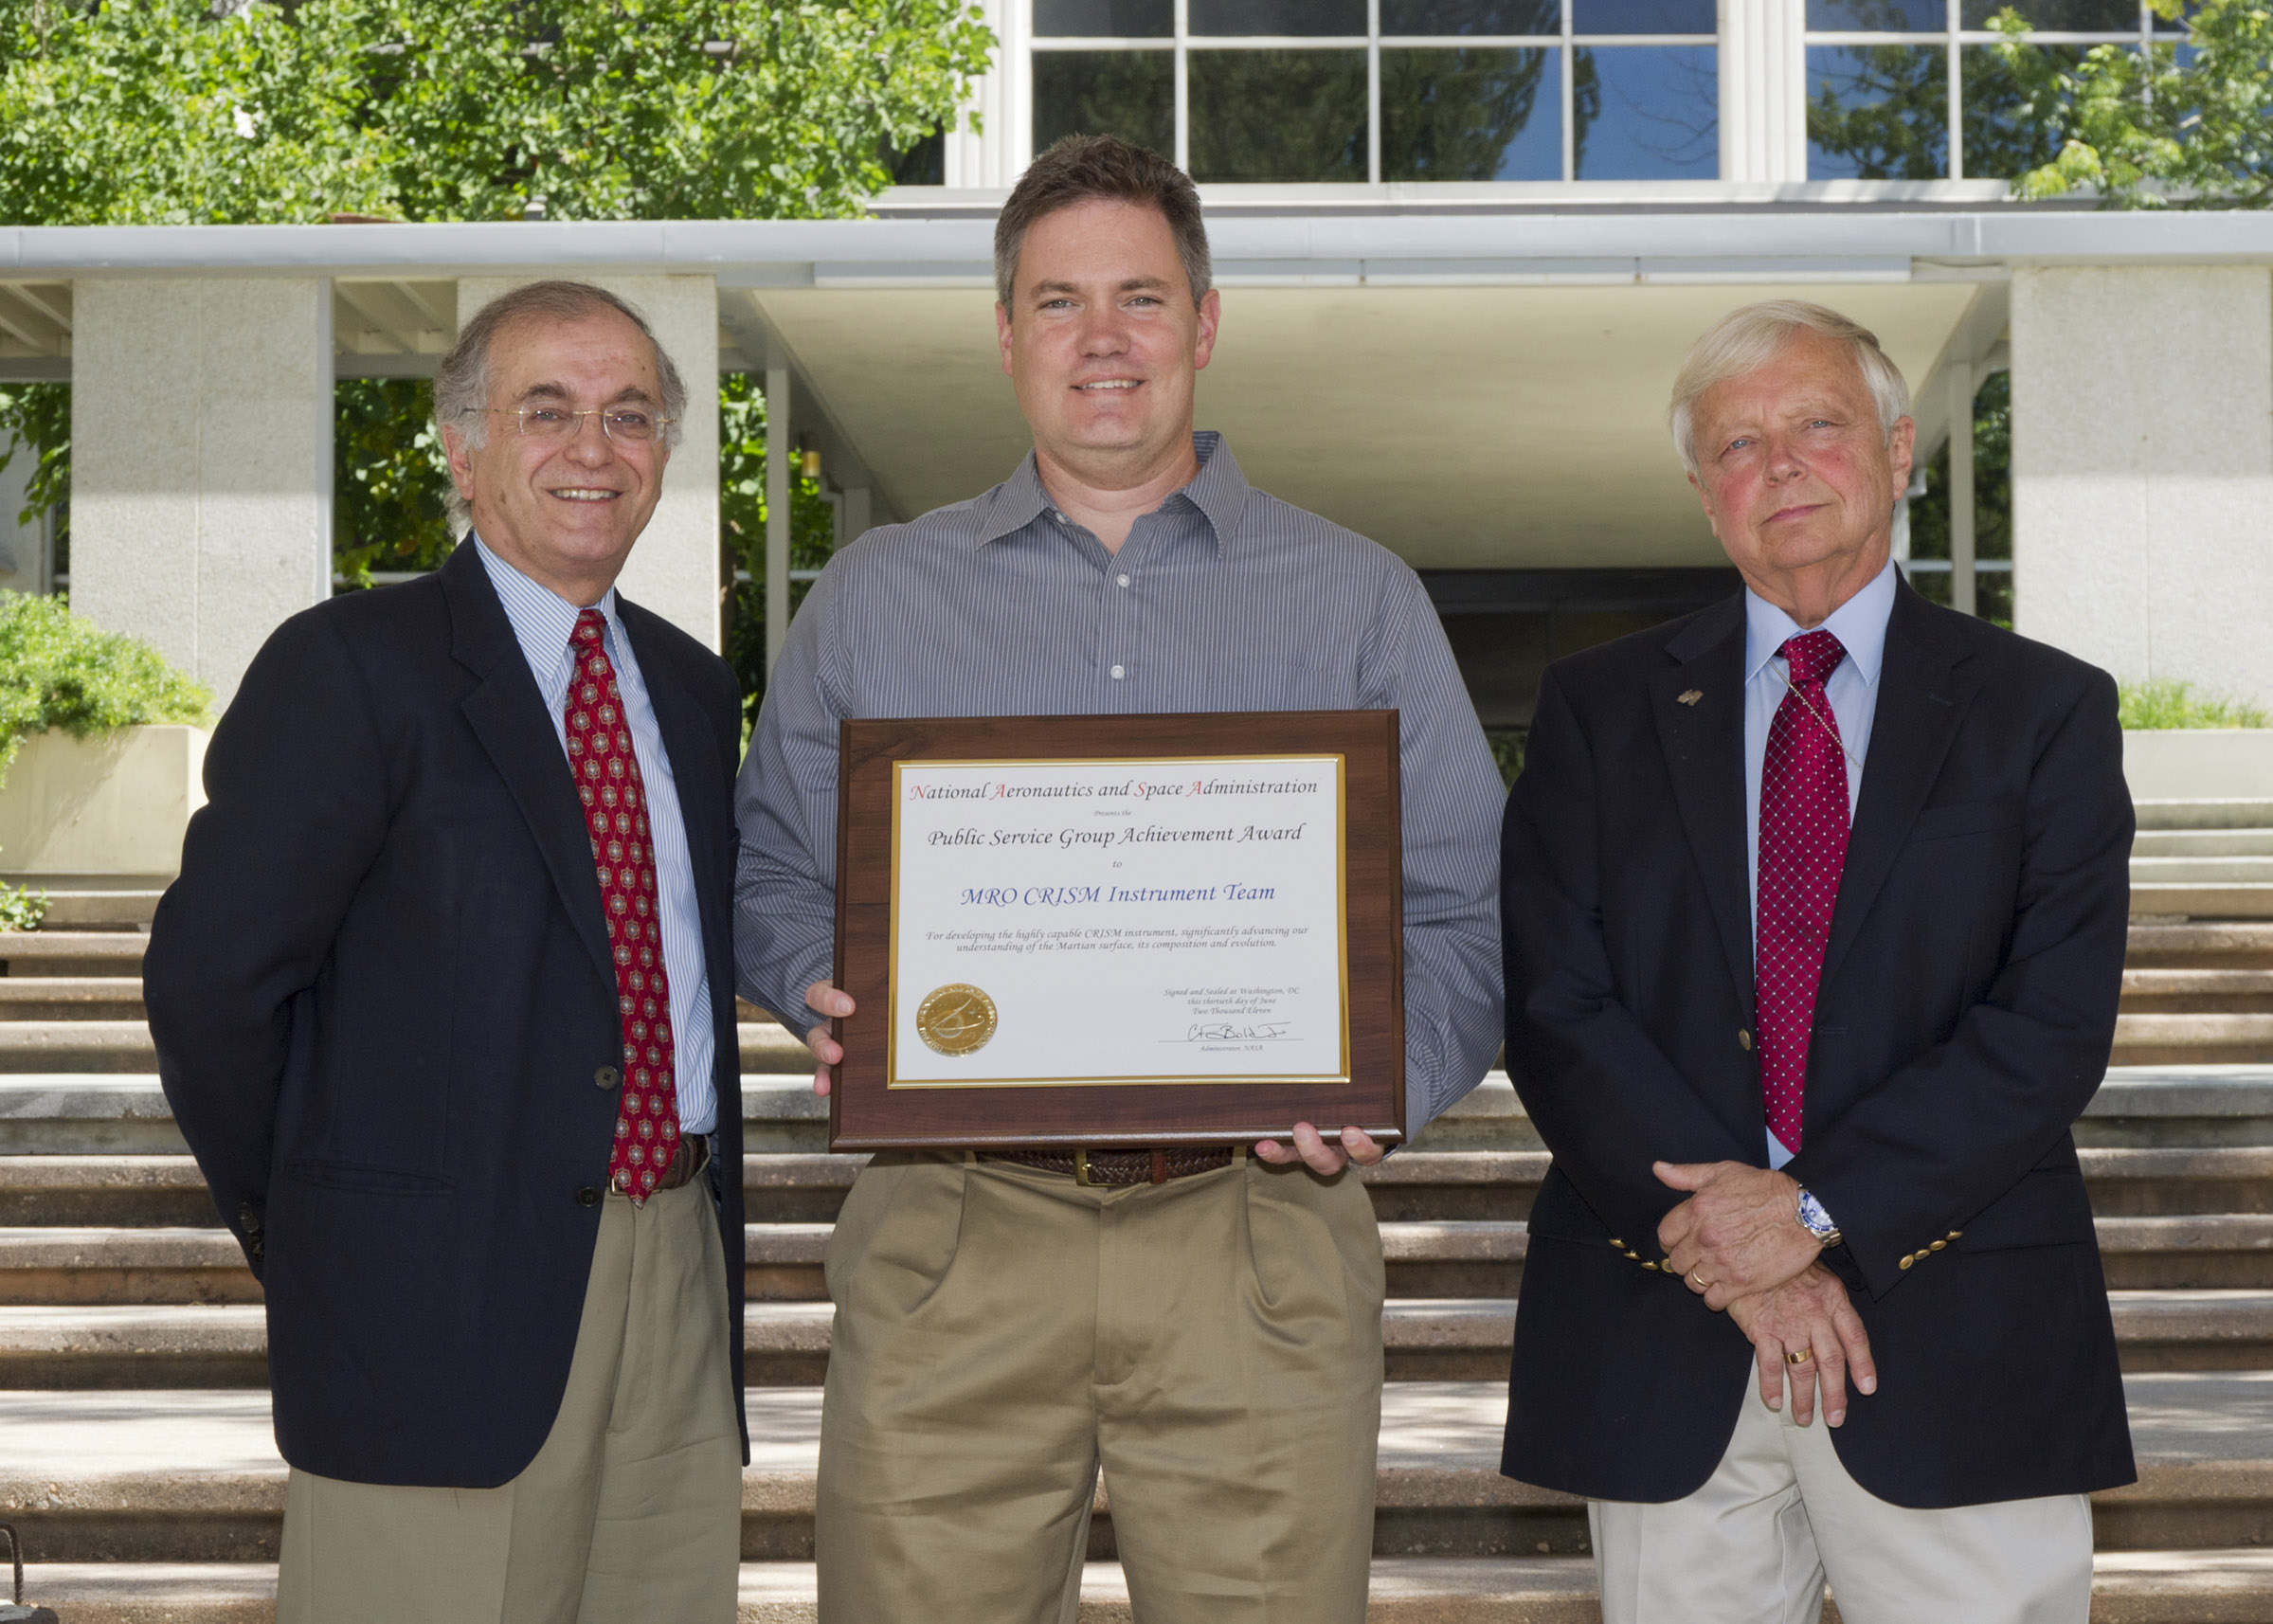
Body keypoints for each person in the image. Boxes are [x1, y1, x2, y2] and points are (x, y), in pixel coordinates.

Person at [734, 134, 1505, 1623]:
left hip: (1259, 1235)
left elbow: (1463, 906)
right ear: (1005, 330)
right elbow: (774, 861)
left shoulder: (1359, 595)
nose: (1103, 341)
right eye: (1059, 300)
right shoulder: (878, 592)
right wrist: (809, 978)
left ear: (1204, 326)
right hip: (955, 1227)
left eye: (1141, 299)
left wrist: (1377, 1077)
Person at [1498, 298, 2135, 1623]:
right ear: (1700, 491)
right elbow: (1558, 1004)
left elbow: (2051, 1021)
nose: (1775, 464)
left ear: (1902, 451)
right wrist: (1732, 1248)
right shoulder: (1597, 710)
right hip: (1666, 1329)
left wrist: (1811, 1211)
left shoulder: (2045, 710)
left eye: (1815, 426)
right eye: (1735, 444)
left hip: (1952, 1322)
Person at [144, 280, 749, 1623]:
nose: (594, 449)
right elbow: (211, 989)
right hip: (431, 1311)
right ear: (463, 448)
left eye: (630, 415)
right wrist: (324, 1227)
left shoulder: (697, 693)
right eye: (549, 410)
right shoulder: (349, 667)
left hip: (677, 1287)